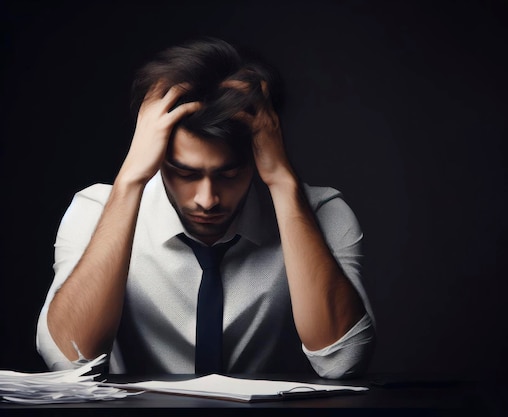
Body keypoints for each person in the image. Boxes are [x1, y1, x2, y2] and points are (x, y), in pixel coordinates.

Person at [36, 37, 375, 379]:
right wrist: (130, 181)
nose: (207, 199)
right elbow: (69, 363)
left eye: (229, 173)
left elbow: (342, 360)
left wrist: (283, 182)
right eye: (185, 173)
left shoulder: (323, 211)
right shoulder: (95, 210)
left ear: (259, 155)